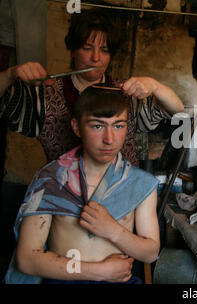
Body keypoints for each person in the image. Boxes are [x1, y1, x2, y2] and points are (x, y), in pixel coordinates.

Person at [4, 87, 160, 284]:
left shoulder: (139, 183)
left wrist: (112, 230)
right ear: (76, 127)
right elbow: (27, 260)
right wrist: (99, 271)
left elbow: (151, 253)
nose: (109, 139)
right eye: (97, 126)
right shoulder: (50, 180)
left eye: (118, 126)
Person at [0, 8, 184, 166]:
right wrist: (11, 74)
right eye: (87, 48)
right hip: (67, 196)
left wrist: (155, 85)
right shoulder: (45, 94)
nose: (96, 58)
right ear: (72, 51)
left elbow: (179, 111)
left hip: (122, 196)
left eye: (104, 50)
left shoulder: (126, 92)